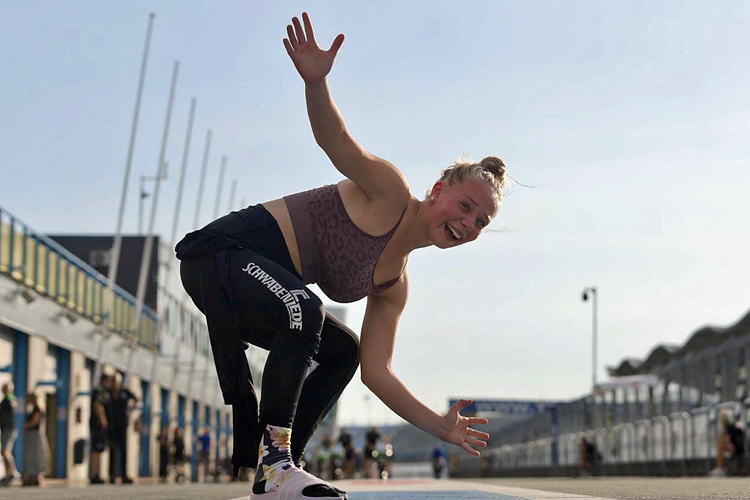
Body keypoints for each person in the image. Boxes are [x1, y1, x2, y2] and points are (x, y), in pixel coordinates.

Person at [177, 12, 497, 500]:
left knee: (342, 349)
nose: (469, 224)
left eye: (481, 222)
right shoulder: (389, 192)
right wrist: (316, 83)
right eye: (466, 206)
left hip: (255, 290)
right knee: (304, 310)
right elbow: (335, 140)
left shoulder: (393, 285)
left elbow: (376, 372)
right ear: (437, 191)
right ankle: (277, 463)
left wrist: (440, 425)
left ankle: (281, 468)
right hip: (221, 255)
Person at [106, 375, 136, 484]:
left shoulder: (125, 392)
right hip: (111, 426)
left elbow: (136, 399)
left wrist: (130, 410)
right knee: (112, 450)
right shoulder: (108, 392)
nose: (114, 383)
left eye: (116, 381)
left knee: (123, 451)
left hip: (122, 425)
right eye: (113, 381)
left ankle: (124, 475)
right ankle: (112, 475)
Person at [22, 392, 49, 487]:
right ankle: (33, 476)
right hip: (34, 434)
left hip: (34, 434)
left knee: (33, 455)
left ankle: (33, 476)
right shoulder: (36, 409)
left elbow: (35, 421)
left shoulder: (37, 409)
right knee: (34, 455)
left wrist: (26, 426)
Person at [89, 374, 112, 484]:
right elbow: (98, 405)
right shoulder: (100, 391)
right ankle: (94, 473)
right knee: (96, 449)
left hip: (98, 424)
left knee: (98, 450)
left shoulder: (103, 391)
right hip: (97, 425)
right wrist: (103, 420)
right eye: (109, 382)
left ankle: (96, 473)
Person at [710, 411, 746, 477]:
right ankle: (720, 468)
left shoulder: (730, 426)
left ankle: (720, 468)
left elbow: (727, 439)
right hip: (734, 446)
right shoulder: (728, 426)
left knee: (720, 445)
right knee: (720, 445)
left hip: (738, 448)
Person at [1, 382, 19, 486]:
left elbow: (13, 406)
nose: (3, 389)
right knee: (4, 451)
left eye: (5, 388)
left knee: (5, 451)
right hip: (6, 428)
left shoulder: (9, 399)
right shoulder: (7, 399)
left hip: (8, 428)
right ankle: (8, 474)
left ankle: (13, 472)